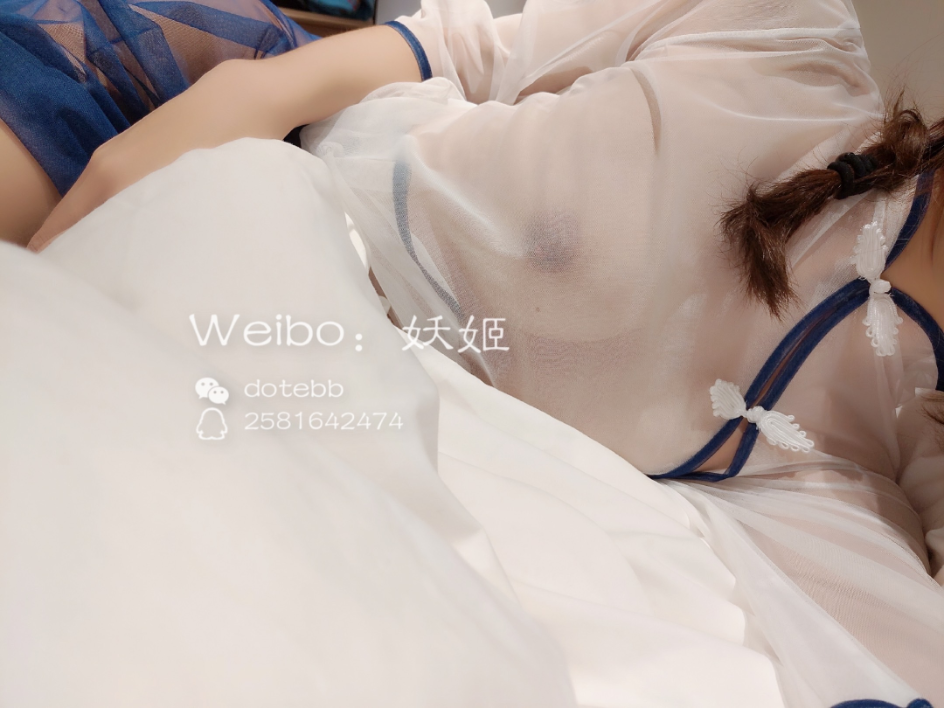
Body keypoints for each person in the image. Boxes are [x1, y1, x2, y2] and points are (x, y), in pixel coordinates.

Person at [1, 0, 942, 706]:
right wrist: (233, 103)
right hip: (242, 117)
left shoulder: (895, 462)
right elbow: (459, 49)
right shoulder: (788, 38)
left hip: (306, 336)